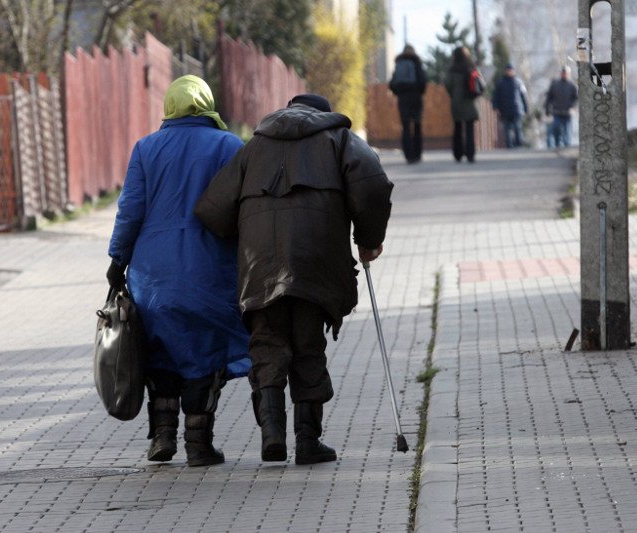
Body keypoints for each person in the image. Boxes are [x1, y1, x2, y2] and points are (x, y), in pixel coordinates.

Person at [195, 94, 394, 465]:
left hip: (260, 264)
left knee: (267, 345)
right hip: (315, 260)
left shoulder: (255, 146)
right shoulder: (339, 140)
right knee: (307, 345)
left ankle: (272, 436)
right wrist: (368, 241)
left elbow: (212, 208)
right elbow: (372, 185)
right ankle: (307, 440)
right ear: (323, 113)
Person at [106, 75, 250, 467]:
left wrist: (117, 259)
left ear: (168, 107)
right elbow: (242, 210)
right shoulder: (229, 146)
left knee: (158, 352)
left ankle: (163, 435)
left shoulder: (146, 148)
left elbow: (130, 209)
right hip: (209, 270)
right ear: (206, 104)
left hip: (152, 274)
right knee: (204, 351)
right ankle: (198, 443)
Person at [389, 44, 427, 163]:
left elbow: (392, 84)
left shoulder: (399, 63)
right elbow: (422, 82)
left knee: (405, 127)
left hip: (403, 98)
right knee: (417, 125)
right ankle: (417, 154)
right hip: (415, 97)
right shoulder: (416, 62)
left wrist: (399, 92)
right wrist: (419, 91)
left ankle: (408, 155)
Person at [445, 47, 480, 162]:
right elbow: (479, 84)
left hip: (457, 102)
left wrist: (454, 94)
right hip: (469, 101)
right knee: (470, 129)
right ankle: (470, 154)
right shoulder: (471, 68)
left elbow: (447, 84)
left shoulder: (452, 70)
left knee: (458, 128)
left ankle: (458, 154)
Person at [492, 63, 529, 148]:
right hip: (505, 110)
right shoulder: (500, 83)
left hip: (517, 109)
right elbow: (495, 96)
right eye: (508, 70)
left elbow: (523, 95)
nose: (509, 72)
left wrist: (526, 108)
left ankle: (519, 144)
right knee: (507, 129)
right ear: (505, 71)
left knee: (517, 128)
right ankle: (510, 146)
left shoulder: (518, 82)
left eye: (511, 70)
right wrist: (495, 106)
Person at [545, 65, 578, 148]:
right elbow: (549, 98)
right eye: (563, 73)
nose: (564, 74)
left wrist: (572, 106)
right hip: (557, 112)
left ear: (569, 74)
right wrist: (548, 109)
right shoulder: (555, 85)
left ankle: (567, 146)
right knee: (556, 128)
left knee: (567, 131)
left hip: (568, 112)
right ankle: (557, 144)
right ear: (561, 74)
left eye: (566, 73)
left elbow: (576, 98)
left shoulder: (572, 86)